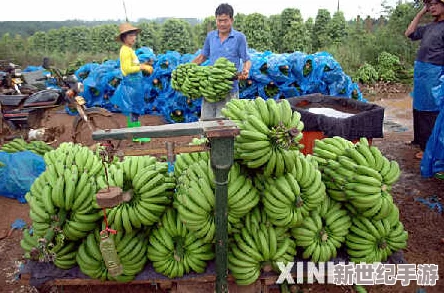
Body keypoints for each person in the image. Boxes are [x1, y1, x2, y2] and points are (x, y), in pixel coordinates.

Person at [192, 3, 252, 120]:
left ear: (232, 20)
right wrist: (188, 67)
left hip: (228, 88)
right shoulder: (210, 36)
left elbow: (246, 59)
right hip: (210, 87)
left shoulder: (239, 37)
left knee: (225, 124)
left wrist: (246, 70)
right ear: (216, 20)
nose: (222, 24)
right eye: (219, 21)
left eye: (225, 20)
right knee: (206, 122)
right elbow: (203, 56)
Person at [404, 0, 444, 159]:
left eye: (434, 3)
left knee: (430, 110)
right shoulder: (430, 27)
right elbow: (409, 33)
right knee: (419, 107)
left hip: (434, 72)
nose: (431, 7)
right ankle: (419, 140)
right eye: (429, 4)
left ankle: (429, 148)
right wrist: (421, 12)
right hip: (422, 71)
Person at [111, 22, 153, 128]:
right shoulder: (125, 51)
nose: (134, 38)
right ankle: (135, 134)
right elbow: (127, 69)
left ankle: (135, 132)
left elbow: (133, 64)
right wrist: (142, 67)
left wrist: (144, 64)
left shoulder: (129, 49)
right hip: (131, 83)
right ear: (124, 38)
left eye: (134, 35)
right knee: (133, 110)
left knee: (135, 110)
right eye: (130, 35)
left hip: (135, 83)